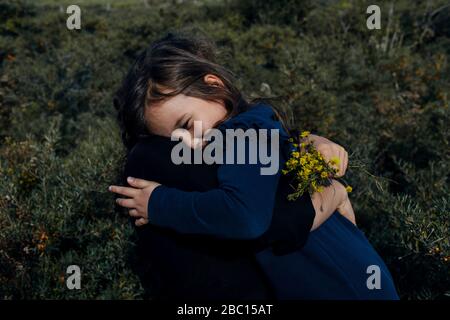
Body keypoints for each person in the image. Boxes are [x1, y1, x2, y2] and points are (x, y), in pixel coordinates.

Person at [110, 32, 399, 299]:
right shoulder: (252, 128)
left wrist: (159, 203)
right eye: (176, 139)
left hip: (341, 286)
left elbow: (245, 215)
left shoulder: (240, 134)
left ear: (213, 84)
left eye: (186, 124)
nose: (189, 141)